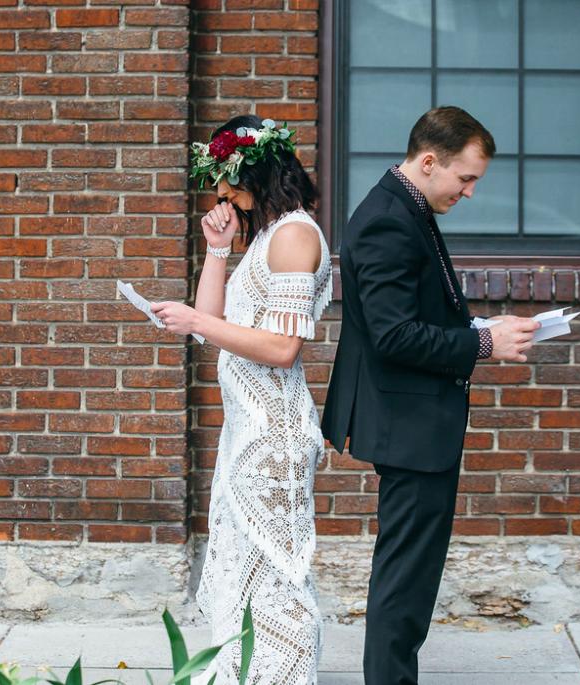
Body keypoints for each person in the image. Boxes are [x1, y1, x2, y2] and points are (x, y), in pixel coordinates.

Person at [320, 106, 539, 685]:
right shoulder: (388, 219)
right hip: (409, 425)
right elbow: (393, 336)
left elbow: (416, 312)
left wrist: (474, 328)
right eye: (465, 178)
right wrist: (484, 344)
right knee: (405, 578)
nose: (468, 192)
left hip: (414, 419)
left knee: (411, 574)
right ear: (427, 161)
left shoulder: (404, 207)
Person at [151, 115, 331, 684]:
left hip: (275, 432)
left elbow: (281, 347)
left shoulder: (296, 236)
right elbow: (213, 327)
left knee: (279, 569)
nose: (222, 193)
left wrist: (191, 318)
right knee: (242, 566)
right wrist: (218, 250)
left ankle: (288, 676)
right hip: (245, 430)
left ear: (256, 169)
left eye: (226, 179)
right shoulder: (262, 239)